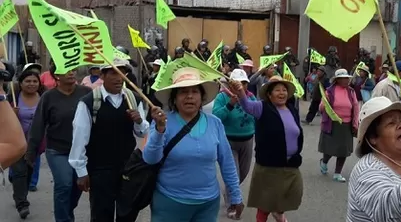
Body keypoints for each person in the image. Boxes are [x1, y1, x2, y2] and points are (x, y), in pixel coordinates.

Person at [144, 67, 243, 221]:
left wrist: (236, 196)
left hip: (208, 205)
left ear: (202, 97)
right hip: (169, 202)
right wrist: (159, 130)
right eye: (183, 92)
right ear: (174, 98)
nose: (189, 96)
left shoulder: (214, 123)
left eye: (194, 91)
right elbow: (150, 159)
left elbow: (227, 162)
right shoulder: (163, 122)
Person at [69, 59, 150, 221]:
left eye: (122, 73)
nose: (119, 78)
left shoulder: (134, 99)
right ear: (102, 75)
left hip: (128, 168)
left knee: (127, 213)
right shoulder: (89, 102)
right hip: (100, 170)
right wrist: (81, 171)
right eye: (113, 73)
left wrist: (139, 121)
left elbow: (143, 133)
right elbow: (79, 138)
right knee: (101, 214)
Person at [229, 76, 303, 222]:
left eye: (284, 90)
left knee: (292, 193)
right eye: (277, 90)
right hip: (269, 165)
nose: (281, 93)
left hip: (291, 164)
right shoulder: (262, 107)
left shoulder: (291, 109)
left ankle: (278, 211)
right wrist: (240, 92)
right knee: (265, 203)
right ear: (269, 94)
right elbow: (247, 106)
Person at [26, 66, 91, 222]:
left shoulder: (86, 93)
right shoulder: (48, 97)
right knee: (64, 184)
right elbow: (38, 125)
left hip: (82, 152)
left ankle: (66, 213)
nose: (71, 73)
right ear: (56, 75)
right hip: (57, 150)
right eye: (66, 70)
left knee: (78, 186)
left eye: (73, 69)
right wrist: (31, 152)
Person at [212, 69, 256, 218]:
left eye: (243, 83)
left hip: (247, 140)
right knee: (234, 175)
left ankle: (230, 191)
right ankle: (233, 204)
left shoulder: (251, 98)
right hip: (228, 141)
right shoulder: (222, 97)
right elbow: (216, 117)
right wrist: (230, 105)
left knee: (243, 173)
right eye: (237, 83)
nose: (241, 86)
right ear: (230, 84)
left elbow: (257, 114)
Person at [9, 69, 43, 218]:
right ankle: (22, 204)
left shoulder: (44, 97)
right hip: (16, 141)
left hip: (35, 142)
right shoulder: (13, 97)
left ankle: (19, 188)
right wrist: (11, 113)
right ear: (21, 83)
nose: (31, 84)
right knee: (20, 171)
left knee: (28, 170)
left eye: (35, 81)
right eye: (28, 81)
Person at [318, 69, 359, 182]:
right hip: (333, 123)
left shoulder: (351, 91)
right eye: (344, 78)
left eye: (347, 78)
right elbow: (322, 107)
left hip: (346, 124)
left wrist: (355, 123)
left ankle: (337, 173)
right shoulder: (329, 91)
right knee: (330, 149)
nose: (346, 80)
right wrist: (324, 104)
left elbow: (355, 107)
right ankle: (324, 161)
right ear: (337, 80)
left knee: (343, 150)